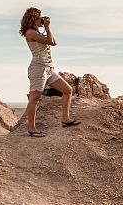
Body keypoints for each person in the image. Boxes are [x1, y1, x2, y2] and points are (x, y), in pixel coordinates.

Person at [18, 7, 80, 137]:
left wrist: (47, 29)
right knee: (35, 98)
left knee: (67, 90)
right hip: (38, 69)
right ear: (33, 19)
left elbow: (54, 42)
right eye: (39, 17)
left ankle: (65, 118)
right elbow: (50, 42)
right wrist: (46, 27)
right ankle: (32, 128)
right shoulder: (30, 32)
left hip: (48, 69)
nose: (42, 20)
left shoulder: (38, 33)